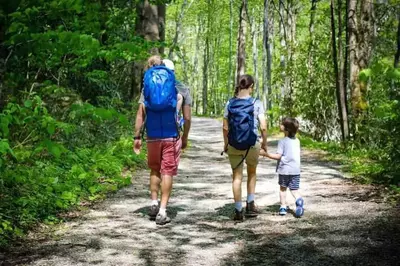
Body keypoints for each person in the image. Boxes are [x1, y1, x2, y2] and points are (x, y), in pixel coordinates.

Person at [133, 58, 192, 225]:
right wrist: (185, 136)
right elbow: (187, 118)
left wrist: (137, 137)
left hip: (152, 135)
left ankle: (153, 203)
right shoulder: (182, 88)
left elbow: (140, 114)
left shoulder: (148, 87)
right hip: (171, 135)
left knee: (154, 169)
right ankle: (163, 211)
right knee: (167, 171)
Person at [222, 74, 268, 222]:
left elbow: (225, 127)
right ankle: (250, 204)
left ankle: (237, 210)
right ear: (251, 87)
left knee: (236, 176)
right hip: (252, 143)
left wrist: (226, 144)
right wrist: (265, 144)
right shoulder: (257, 103)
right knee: (252, 172)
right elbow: (263, 126)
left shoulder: (229, 103)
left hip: (234, 144)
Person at [260, 117, 304, 217]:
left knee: (283, 189)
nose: (280, 125)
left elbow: (278, 156)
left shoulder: (282, 141)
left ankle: (283, 207)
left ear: (286, 129)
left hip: (284, 170)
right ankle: (298, 200)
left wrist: (266, 154)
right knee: (294, 189)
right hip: (295, 170)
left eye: (282, 124)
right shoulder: (297, 141)